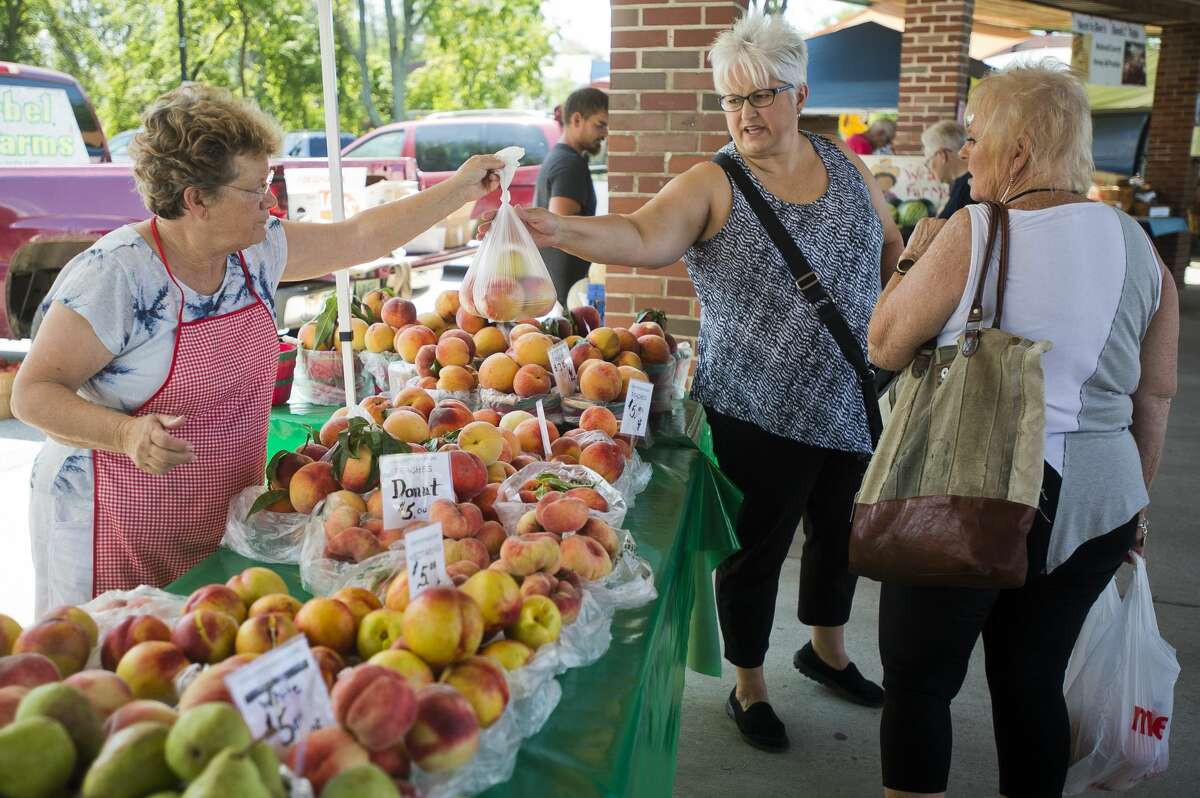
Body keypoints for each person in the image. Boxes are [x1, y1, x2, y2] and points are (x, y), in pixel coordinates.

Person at [485, 13, 903, 752]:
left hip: (852, 396)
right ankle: (750, 684)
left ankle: (827, 649)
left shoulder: (844, 163)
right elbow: (643, 236)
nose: (745, 114)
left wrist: (899, 319)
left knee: (843, 534)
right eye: (731, 100)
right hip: (758, 409)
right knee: (758, 550)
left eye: (761, 96)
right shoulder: (715, 182)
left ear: (800, 94)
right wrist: (559, 231)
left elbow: (888, 242)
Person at [13, 83, 503, 614]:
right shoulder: (118, 275)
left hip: (213, 508)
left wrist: (458, 189)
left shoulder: (257, 248)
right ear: (196, 200)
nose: (269, 202)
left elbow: (359, 237)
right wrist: (125, 431)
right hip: (109, 523)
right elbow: (32, 394)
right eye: (254, 191)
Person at [867, 63, 1178, 797]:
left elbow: (883, 343)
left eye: (978, 139)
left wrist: (913, 255)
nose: (968, 154)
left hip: (968, 488)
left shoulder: (975, 229)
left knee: (919, 682)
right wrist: (1134, 503)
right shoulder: (1141, 247)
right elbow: (1155, 396)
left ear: (1020, 151)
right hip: (1099, 500)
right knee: (1032, 680)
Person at [536, 87, 609, 308]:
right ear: (577, 119)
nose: (605, 133)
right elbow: (559, 223)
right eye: (600, 124)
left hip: (558, 285)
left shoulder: (560, 157)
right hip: (566, 292)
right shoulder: (570, 164)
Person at [921, 120, 974, 219]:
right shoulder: (965, 184)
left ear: (942, 155)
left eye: (928, 161)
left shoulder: (968, 189)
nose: (929, 169)